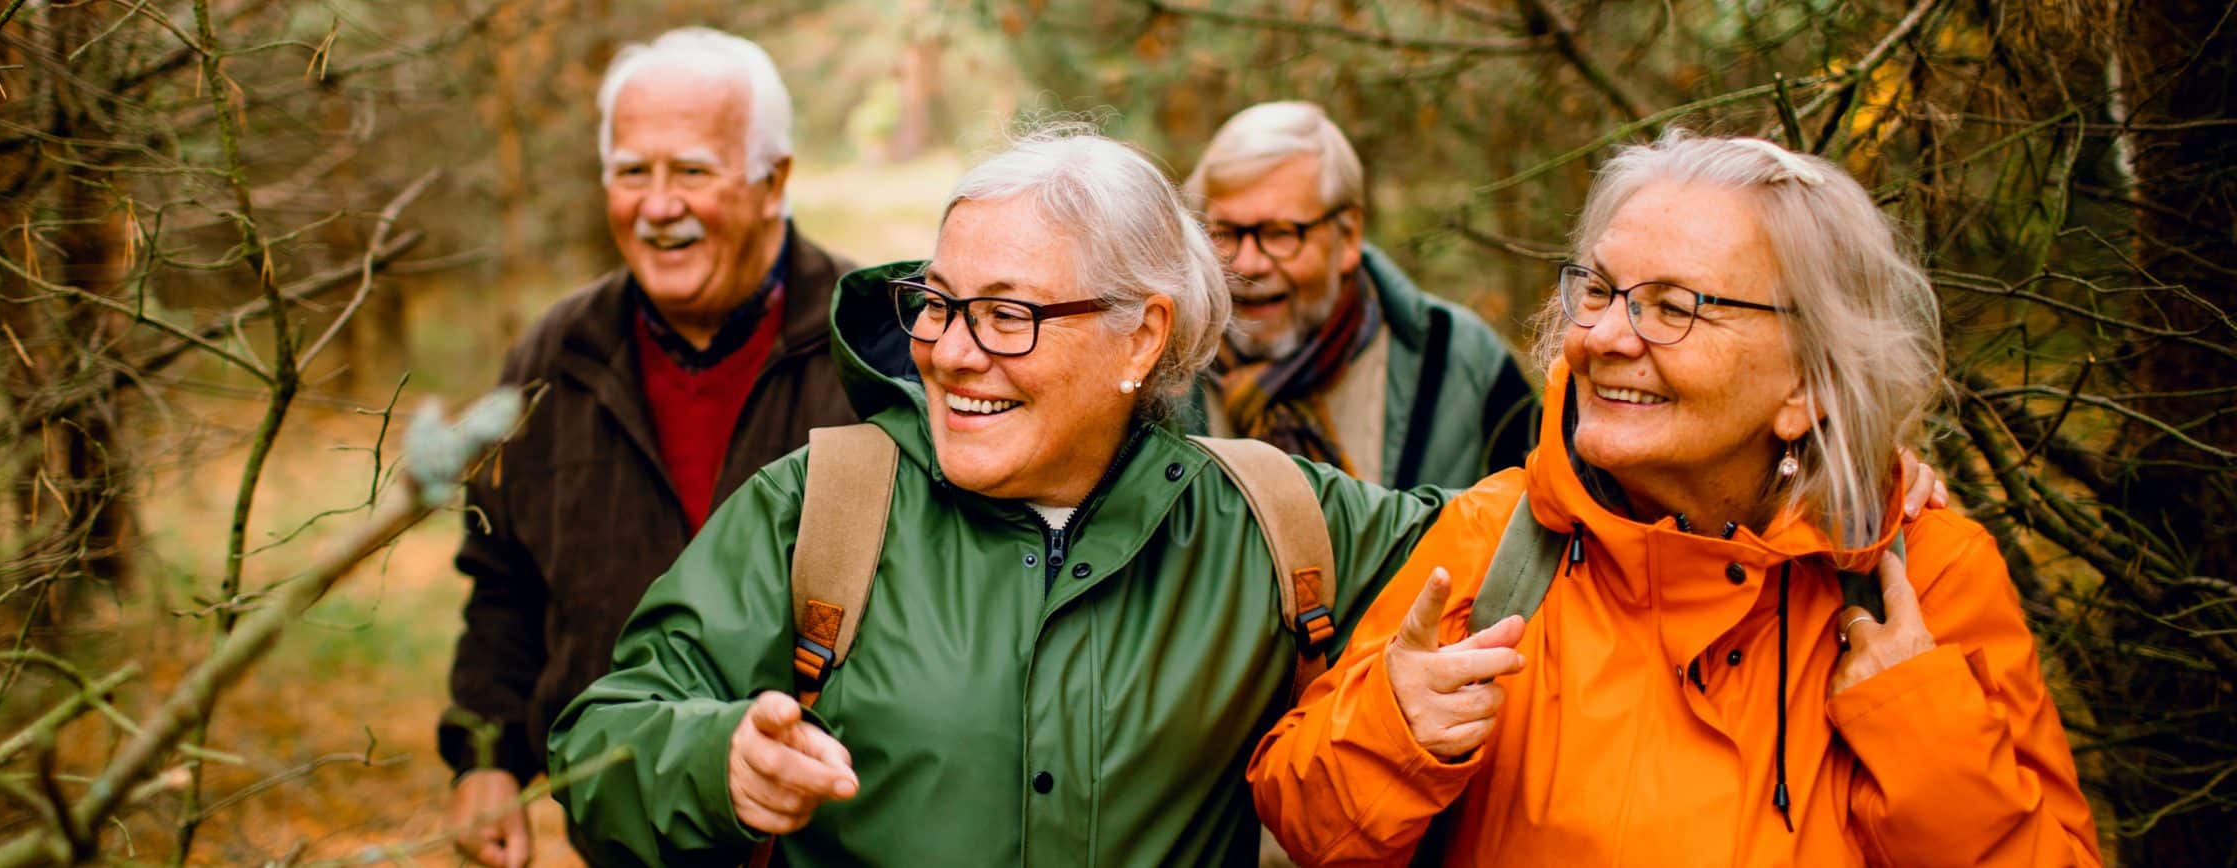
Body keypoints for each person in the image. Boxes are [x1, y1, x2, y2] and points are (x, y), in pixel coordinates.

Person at [539, 124, 1466, 866]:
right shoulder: (821, 508)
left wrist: (1605, 381)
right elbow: (600, 740)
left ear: (1141, 339)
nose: (948, 350)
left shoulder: (1270, 521)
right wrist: (715, 764)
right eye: (939, 302)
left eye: (1006, 314)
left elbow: (1529, 536)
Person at [1248, 132, 2100, 865]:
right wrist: (1394, 732)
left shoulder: (1925, 579)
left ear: (1807, 383)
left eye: (1674, 308)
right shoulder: (1495, 540)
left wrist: (1919, 725)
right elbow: (1309, 826)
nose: (1609, 338)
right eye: (1600, 291)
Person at [438, 27, 860, 867]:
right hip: (631, 832)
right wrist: (485, 760)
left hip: (832, 837)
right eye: (633, 171)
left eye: (693, 171)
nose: (658, 206)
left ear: (772, 181)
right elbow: (503, 582)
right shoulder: (551, 360)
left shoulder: (870, 353)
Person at [1188, 102, 1535, 489]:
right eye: (1226, 233)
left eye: (1279, 234)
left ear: (1348, 235)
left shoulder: (1460, 361)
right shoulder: (1160, 369)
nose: (1248, 264)